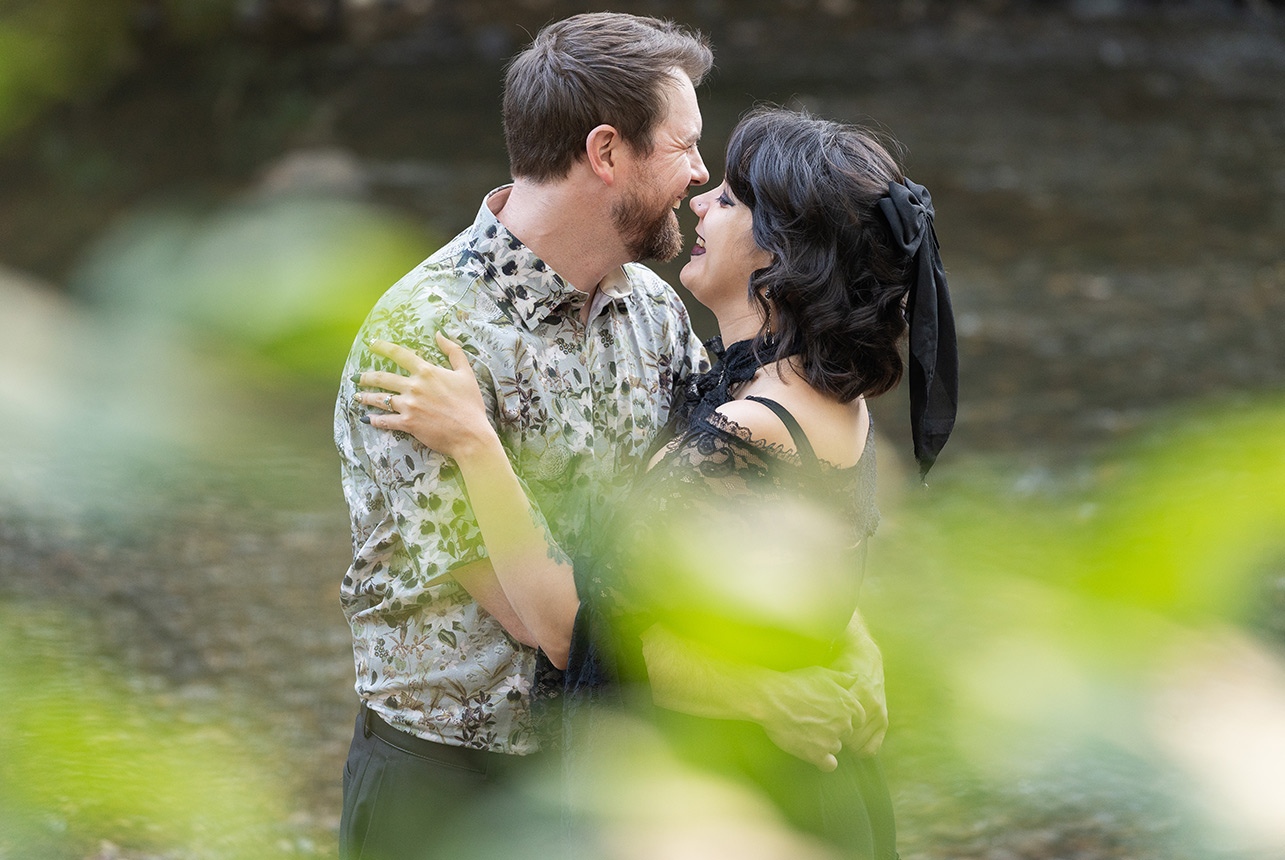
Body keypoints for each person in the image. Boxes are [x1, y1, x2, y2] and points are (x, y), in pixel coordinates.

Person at [335, 15, 884, 859]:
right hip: (454, 786)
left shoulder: (655, 310)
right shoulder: (421, 339)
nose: (702, 177)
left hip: (615, 769)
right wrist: (766, 693)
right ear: (604, 152)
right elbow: (547, 626)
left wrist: (845, 637)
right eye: (685, 146)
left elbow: (723, 517)